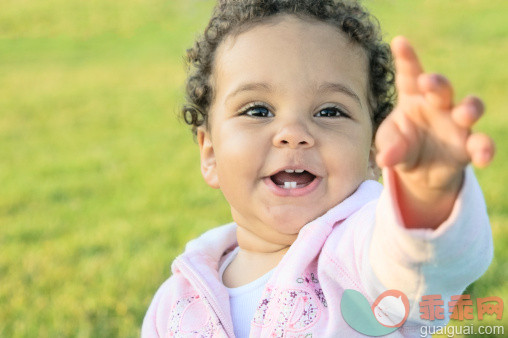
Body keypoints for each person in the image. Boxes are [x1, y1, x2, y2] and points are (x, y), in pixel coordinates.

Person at [142, 0, 496, 336]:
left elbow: (419, 261)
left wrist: (427, 190)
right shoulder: (175, 301)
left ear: (373, 150)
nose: (294, 134)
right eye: (257, 110)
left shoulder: (362, 257)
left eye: (330, 111)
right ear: (210, 154)